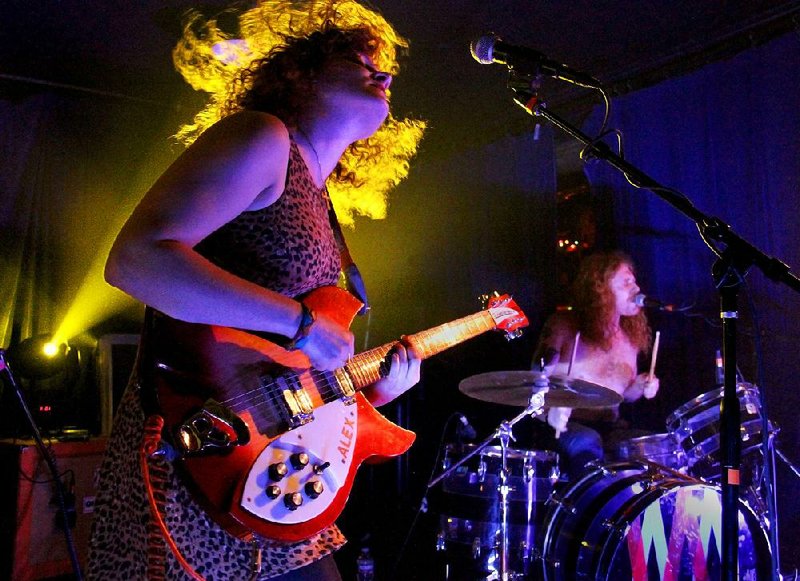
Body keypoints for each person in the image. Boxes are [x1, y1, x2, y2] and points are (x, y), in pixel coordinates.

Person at [88, 1, 425, 579]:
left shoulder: (322, 200)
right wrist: (300, 323)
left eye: (383, 66)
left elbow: (281, 370)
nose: (385, 73)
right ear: (304, 71)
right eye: (359, 59)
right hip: (190, 465)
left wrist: (370, 394)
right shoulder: (265, 139)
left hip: (276, 482)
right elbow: (135, 261)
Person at [531, 250, 659, 479]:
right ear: (601, 290)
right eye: (626, 283)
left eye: (635, 281)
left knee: (654, 448)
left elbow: (622, 396)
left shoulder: (630, 337)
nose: (636, 288)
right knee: (588, 441)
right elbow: (534, 383)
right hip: (565, 425)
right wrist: (549, 411)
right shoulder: (564, 325)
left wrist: (639, 386)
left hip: (612, 426)